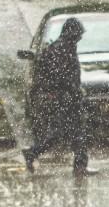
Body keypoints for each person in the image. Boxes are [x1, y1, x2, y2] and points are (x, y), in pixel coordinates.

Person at [23, 18, 93, 176]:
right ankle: (34, 152)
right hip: (64, 99)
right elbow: (61, 77)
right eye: (78, 34)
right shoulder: (61, 49)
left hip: (67, 98)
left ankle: (80, 165)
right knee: (64, 133)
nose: (80, 37)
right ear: (72, 33)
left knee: (75, 132)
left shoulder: (66, 47)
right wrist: (73, 92)